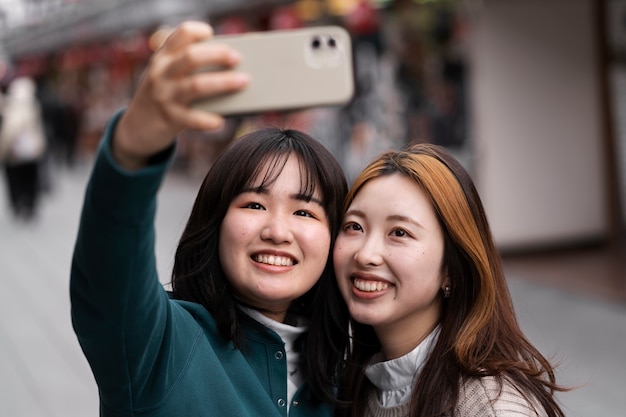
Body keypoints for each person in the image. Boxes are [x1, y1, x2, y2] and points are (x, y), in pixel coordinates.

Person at [70, 21, 347, 416]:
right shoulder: (159, 347)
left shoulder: (347, 379)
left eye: (304, 211)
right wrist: (133, 150)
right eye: (254, 204)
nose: (277, 230)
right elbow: (109, 272)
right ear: (214, 221)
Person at [332, 143, 567, 416]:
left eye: (399, 232)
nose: (365, 254)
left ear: (452, 268)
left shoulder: (492, 408)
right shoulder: (358, 385)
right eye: (354, 227)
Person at [0, 76, 48, 220]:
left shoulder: (10, 106)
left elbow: (9, 130)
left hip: (13, 152)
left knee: (14, 179)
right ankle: (29, 204)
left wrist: (4, 150)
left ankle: (18, 203)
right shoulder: (33, 105)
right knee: (30, 179)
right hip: (31, 152)